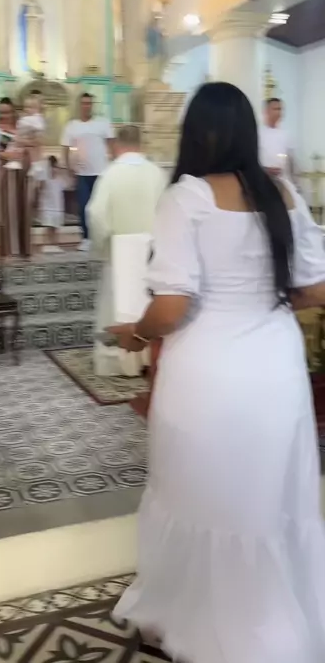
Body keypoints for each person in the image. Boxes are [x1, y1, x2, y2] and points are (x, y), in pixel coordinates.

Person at [109, 82, 325, 663]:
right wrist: (269, 296)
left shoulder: (188, 198)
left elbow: (172, 306)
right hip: (276, 370)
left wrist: (136, 334)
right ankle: (279, 617)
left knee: (200, 492)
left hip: (206, 372)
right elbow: (314, 288)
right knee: (269, 497)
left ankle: (202, 617)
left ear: (196, 134)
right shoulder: (284, 192)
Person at [87, 125, 165, 377]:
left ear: (116, 145)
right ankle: (147, 358)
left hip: (119, 252)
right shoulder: (157, 173)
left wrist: (103, 245)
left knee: (116, 305)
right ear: (141, 144)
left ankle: (115, 361)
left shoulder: (111, 173)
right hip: (152, 252)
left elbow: (95, 213)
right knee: (146, 304)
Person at [61, 93, 114, 252]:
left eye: (89, 103)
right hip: (82, 173)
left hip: (101, 172)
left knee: (101, 206)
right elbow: (65, 147)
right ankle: (86, 238)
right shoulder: (72, 126)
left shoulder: (103, 123)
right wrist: (68, 166)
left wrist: (114, 164)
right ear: (80, 105)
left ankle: (102, 236)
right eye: (84, 103)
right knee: (84, 206)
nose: (87, 106)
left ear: (92, 105)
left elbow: (112, 144)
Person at [0, 97, 31, 258]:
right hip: (7, 173)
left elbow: (30, 146)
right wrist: (11, 155)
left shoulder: (21, 128)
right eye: (1, 113)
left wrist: (24, 151)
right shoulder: (0, 131)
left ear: (13, 111)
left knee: (23, 209)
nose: (4, 116)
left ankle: (23, 249)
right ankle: (10, 249)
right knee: (9, 210)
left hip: (22, 171)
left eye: (7, 112)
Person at [38, 155, 70, 254]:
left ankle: (55, 244)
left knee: (55, 228)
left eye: (55, 167)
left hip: (58, 208)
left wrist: (64, 172)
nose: (53, 170)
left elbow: (67, 185)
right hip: (47, 208)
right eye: (51, 167)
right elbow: (40, 187)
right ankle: (46, 244)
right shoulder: (44, 179)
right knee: (48, 227)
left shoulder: (60, 180)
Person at [259, 96, 295, 180]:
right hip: (262, 178)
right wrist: (266, 170)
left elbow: (291, 161)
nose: (278, 112)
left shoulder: (286, 134)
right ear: (267, 111)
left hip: (282, 179)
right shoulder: (258, 133)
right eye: (275, 109)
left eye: (280, 109)